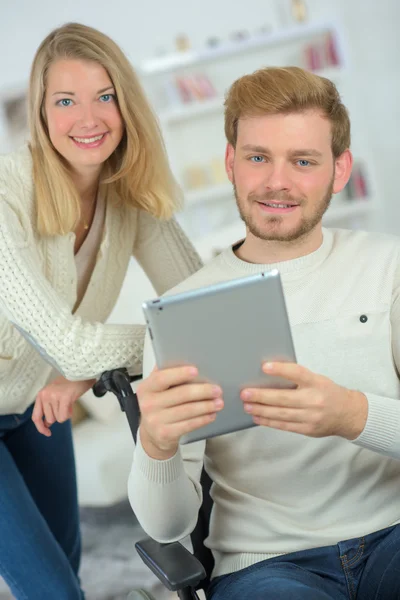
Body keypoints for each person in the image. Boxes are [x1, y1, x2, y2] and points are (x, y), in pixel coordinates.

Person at [128, 66, 400, 600]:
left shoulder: (388, 266)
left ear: (339, 169)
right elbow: (167, 529)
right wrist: (155, 443)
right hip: (267, 566)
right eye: (258, 157)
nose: (278, 181)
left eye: (303, 160)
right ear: (232, 162)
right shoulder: (182, 311)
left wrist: (351, 414)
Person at [0, 22, 202, 600]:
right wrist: (86, 364)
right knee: (52, 590)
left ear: (126, 105)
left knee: (67, 576)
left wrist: (82, 367)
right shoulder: (7, 193)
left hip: (37, 408)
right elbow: (70, 345)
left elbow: (199, 302)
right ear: (41, 112)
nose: (88, 118)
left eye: (104, 96)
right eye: (66, 100)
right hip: (38, 390)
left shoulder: (128, 192)